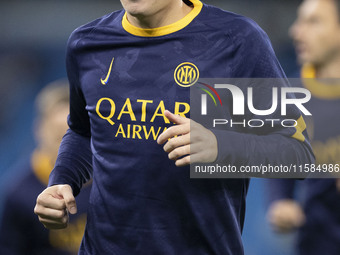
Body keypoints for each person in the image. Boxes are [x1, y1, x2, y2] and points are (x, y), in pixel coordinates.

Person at [34, 1, 314, 254]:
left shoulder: (236, 40)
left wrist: (221, 147)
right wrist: (62, 181)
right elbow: (84, 131)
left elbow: (297, 152)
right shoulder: (87, 43)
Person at [266, 0, 340, 254]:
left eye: (313, 21)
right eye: (299, 20)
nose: (296, 31)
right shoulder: (291, 96)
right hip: (315, 245)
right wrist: (281, 205)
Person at [0, 80, 91, 255]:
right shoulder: (19, 194)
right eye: (59, 136)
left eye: (75, 136)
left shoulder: (110, 184)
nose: (67, 147)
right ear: (39, 129)